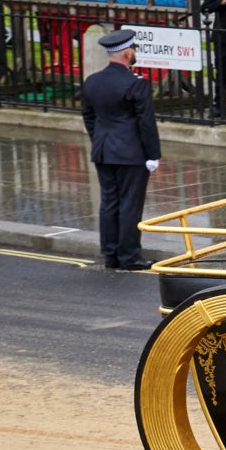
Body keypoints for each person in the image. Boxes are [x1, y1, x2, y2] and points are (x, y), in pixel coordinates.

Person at [79, 29, 162, 271]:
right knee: (129, 204)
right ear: (127, 53)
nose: (134, 53)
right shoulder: (137, 84)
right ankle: (130, 256)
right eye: (133, 49)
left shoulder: (92, 81)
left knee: (109, 202)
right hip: (131, 153)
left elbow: (89, 117)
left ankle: (110, 254)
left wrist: (100, 140)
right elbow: (146, 122)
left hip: (103, 151)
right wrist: (153, 155)